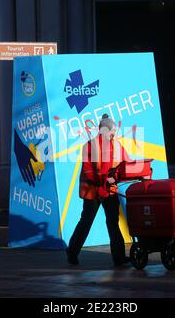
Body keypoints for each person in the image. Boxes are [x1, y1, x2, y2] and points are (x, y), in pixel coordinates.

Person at [66, 113, 131, 267]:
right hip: (93, 191)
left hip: (109, 190)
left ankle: (119, 257)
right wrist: (103, 181)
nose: (114, 133)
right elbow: (88, 170)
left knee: (112, 222)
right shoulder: (89, 146)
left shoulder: (117, 146)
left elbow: (126, 164)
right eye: (112, 130)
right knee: (87, 221)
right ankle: (72, 251)